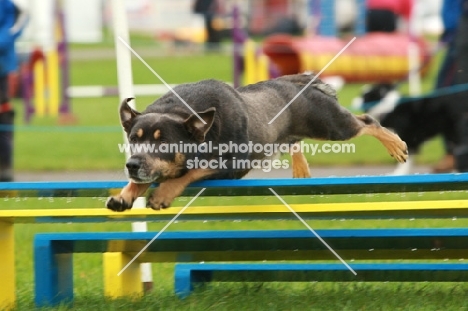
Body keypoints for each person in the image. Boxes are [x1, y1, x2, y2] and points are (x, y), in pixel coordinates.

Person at [0, 0, 27, 181]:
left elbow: (20, 18)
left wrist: (4, 40)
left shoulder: (7, 5)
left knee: (3, 115)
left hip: (2, 68)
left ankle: (4, 168)